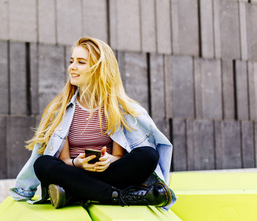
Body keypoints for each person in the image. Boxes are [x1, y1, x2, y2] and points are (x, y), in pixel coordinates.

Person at [10, 37, 176, 210]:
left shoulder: (117, 109)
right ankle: (121, 196)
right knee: (43, 164)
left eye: (81, 62)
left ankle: (74, 194)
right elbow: (64, 160)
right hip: (74, 173)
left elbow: (118, 156)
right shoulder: (61, 110)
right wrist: (78, 163)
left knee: (148, 154)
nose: (72, 67)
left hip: (108, 173)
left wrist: (108, 160)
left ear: (99, 69)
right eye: (71, 61)